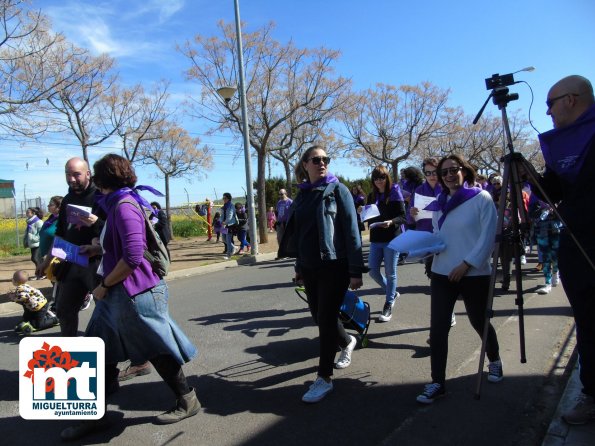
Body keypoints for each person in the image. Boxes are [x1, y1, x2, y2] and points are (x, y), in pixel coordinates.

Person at [60, 154, 199, 441]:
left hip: (134, 293)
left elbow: (133, 257)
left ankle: (187, 400)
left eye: (95, 178)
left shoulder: (123, 206)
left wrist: (103, 285)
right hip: (121, 293)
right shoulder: (116, 204)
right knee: (99, 352)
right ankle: (95, 416)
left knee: (155, 349)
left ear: (101, 180)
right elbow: (120, 249)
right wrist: (96, 250)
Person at [523, 75, 595, 424]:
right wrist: (529, 174)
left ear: (571, 99)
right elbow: (552, 192)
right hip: (577, 244)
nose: (547, 112)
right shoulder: (561, 144)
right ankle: (592, 394)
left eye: (550, 104)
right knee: (587, 321)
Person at [278, 145, 365, 403]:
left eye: (325, 159)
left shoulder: (338, 190)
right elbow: (300, 236)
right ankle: (347, 340)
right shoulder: (303, 195)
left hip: (334, 265)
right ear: (305, 164)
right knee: (319, 316)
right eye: (316, 159)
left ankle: (324, 378)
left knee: (325, 320)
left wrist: (355, 270)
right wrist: (298, 268)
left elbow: (352, 231)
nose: (322, 163)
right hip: (309, 267)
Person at [416, 154, 502, 404]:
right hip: (442, 273)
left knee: (479, 321)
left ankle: (494, 360)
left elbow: (488, 238)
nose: (449, 175)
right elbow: (437, 236)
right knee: (438, 328)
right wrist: (421, 247)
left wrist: (466, 265)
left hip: (474, 274)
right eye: (444, 173)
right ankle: (437, 382)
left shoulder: (481, 198)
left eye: (453, 170)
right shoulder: (439, 203)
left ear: (464, 170)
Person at [36, 157, 105, 337]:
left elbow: (114, 228)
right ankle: (71, 355)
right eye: (68, 174)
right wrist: (47, 261)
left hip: (96, 265)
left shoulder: (101, 196)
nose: (72, 179)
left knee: (106, 311)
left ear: (88, 174)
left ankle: (110, 359)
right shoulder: (67, 199)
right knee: (64, 310)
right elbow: (60, 233)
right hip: (71, 263)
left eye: (76, 174)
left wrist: (96, 223)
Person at [366, 165, 407, 322]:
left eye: (382, 178)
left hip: (392, 239)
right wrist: (362, 212)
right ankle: (392, 292)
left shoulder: (395, 193)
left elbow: (403, 216)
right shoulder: (371, 196)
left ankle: (389, 303)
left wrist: (391, 222)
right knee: (372, 271)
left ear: (387, 178)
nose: (379, 181)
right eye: (376, 178)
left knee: (391, 272)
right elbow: (369, 218)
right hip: (376, 238)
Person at [9, 270, 58, 334]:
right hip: (32, 306)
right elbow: (23, 295)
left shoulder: (20, 288)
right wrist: (15, 295)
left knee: (38, 325)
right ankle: (26, 321)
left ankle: (54, 320)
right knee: (27, 316)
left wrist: (13, 298)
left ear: (15, 281)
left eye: (12, 279)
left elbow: (23, 297)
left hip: (40, 307)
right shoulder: (24, 286)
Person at [37, 196, 62, 310]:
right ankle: (57, 302)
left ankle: (59, 304)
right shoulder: (51, 218)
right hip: (44, 253)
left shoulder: (62, 220)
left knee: (56, 279)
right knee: (51, 279)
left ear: (58, 207)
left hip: (54, 255)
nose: (48, 206)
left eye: (51, 204)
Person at [24, 207, 43, 277]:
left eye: (28, 212)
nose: (26, 214)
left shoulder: (38, 222)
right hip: (32, 244)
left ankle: (41, 273)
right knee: (37, 259)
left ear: (33, 213)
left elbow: (41, 233)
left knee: (35, 258)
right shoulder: (29, 222)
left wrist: (33, 238)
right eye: (26, 212)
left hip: (37, 243)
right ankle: (41, 272)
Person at [221, 192, 238, 259]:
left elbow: (230, 216)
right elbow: (222, 216)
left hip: (230, 225)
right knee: (223, 239)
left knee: (228, 239)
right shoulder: (223, 207)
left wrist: (225, 222)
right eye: (223, 198)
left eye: (225, 198)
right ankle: (234, 247)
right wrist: (219, 222)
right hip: (224, 225)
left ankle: (228, 255)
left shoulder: (231, 206)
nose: (223, 199)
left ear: (228, 199)